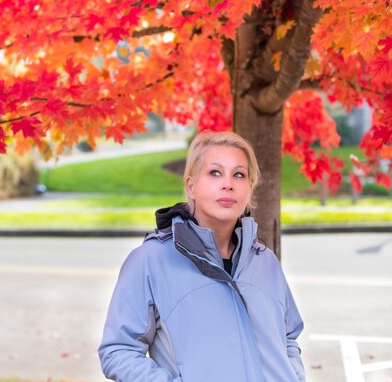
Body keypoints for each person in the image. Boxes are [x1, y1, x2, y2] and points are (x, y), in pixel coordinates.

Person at [98, 131, 306, 382]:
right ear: (191, 186)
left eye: (239, 174)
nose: (228, 183)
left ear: (249, 188)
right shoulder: (150, 260)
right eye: (215, 173)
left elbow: (288, 337)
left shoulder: (266, 262)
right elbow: (118, 351)